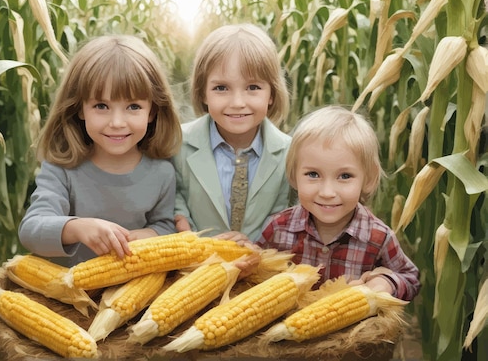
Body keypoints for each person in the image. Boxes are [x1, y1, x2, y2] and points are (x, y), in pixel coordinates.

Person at [18, 35, 182, 267]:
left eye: (133, 107)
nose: (117, 122)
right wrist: (77, 228)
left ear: (153, 111)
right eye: (101, 106)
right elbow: (31, 229)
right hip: (69, 293)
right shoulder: (62, 169)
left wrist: (150, 235)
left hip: (131, 291)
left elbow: (165, 225)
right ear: (80, 109)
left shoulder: (162, 173)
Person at [257, 106, 420, 301]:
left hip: (353, 332)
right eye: (313, 174)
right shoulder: (278, 228)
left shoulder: (377, 237)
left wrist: (386, 282)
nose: (327, 192)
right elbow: (254, 272)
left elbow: (410, 279)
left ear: (368, 179)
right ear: (293, 175)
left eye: (344, 176)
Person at [172, 23, 292, 243]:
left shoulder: (290, 153)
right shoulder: (177, 143)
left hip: (262, 270)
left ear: (272, 94)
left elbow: (285, 215)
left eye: (253, 88)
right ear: (203, 94)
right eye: (221, 88)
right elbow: (173, 199)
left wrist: (258, 246)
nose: (237, 103)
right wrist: (189, 235)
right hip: (194, 268)